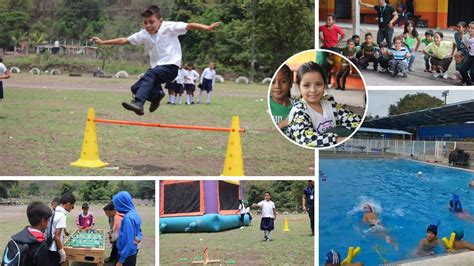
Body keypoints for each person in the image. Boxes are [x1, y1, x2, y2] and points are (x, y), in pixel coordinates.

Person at [90, 5, 220, 115]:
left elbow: (189, 26)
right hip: (157, 69)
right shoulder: (143, 34)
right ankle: (157, 96)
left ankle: (139, 104)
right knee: (136, 88)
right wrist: (103, 42)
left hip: (171, 67)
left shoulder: (169, 27)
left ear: (160, 21)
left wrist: (207, 27)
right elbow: (124, 40)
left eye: (151, 22)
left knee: (150, 75)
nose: (148, 26)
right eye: (145, 23)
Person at [286, 61, 361, 147]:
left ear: (324, 84)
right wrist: (337, 140)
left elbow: (355, 121)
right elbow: (305, 139)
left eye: (318, 84)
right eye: (306, 85)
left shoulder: (330, 104)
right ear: (299, 86)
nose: (313, 90)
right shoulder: (299, 111)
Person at [113, 191, 142, 266]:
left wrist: (121, 261)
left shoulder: (127, 218)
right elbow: (139, 231)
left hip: (126, 255)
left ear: (122, 204)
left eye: (116, 205)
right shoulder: (135, 213)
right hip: (132, 252)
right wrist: (138, 238)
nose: (115, 207)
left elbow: (128, 241)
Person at [47, 192, 76, 266]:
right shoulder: (62, 215)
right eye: (72, 206)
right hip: (55, 249)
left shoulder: (53, 212)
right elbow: (57, 238)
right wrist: (62, 253)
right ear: (68, 204)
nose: (72, 209)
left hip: (48, 246)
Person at [270, 64, 294, 130]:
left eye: (283, 81)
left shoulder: (298, 106)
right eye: (273, 82)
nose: (277, 86)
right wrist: (282, 124)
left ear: (290, 83)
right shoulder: (267, 105)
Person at [462, 21, 474, 86]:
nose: (470, 29)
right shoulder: (465, 37)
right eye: (469, 27)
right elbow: (463, 43)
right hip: (470, 56)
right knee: (462, 70)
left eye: (472, 28)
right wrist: (467, 48)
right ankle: (469, 83)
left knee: (472, 73)